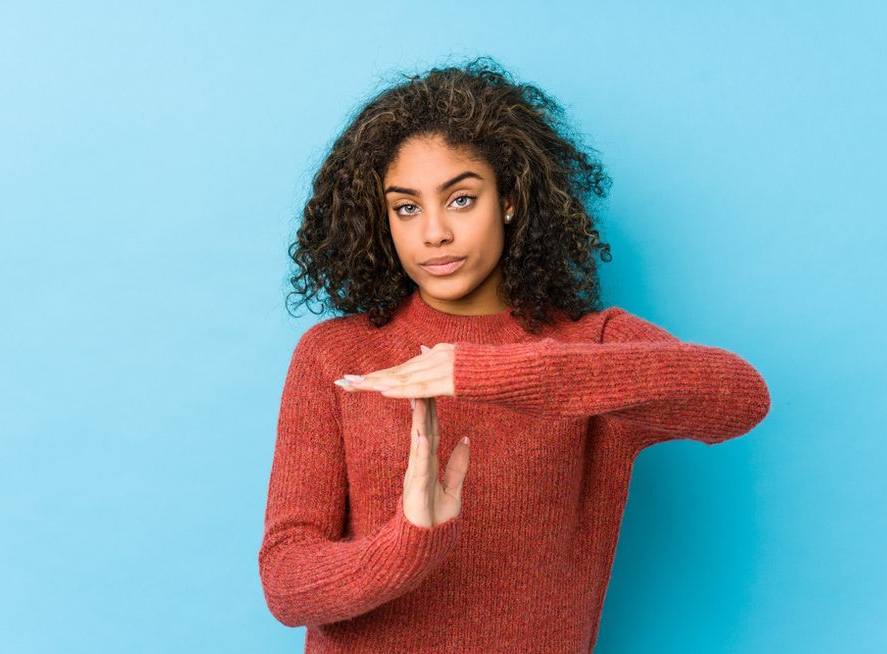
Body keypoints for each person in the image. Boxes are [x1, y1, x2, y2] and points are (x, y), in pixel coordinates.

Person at [257, 56, 771, 653]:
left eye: (460, 199)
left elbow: (739, 396)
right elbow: (286, 585)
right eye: (407, 207)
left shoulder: (589, 349)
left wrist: (492, 372)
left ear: (508, 199)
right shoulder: (337, 354)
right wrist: (408, 542)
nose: (434, 233)